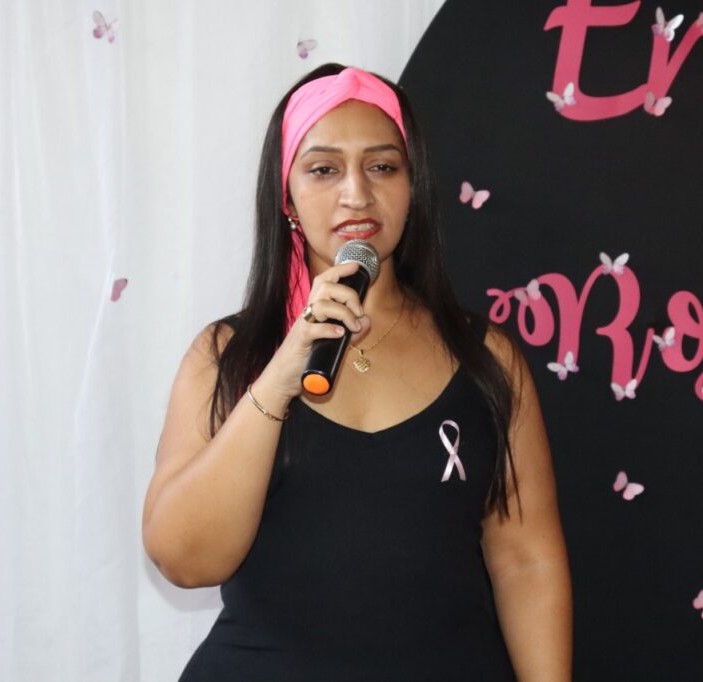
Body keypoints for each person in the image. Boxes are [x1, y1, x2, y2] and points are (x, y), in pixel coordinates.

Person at [142, 63, 572, 681]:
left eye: (382, 166)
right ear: (286, 197)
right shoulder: (227, 354)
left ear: (413, 185)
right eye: (323, 169)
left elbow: (526, 561)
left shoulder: (486, 358)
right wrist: (278, 379)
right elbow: (185, 560)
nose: (356, 194)